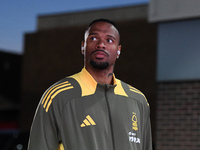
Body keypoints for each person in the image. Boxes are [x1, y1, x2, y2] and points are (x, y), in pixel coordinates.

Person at [28, 18, 152, 150]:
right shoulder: (58, 96)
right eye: (93, 38)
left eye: (109, 40)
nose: (101, 45)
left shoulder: (138, 100)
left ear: (118, 50)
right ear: (83, 46)